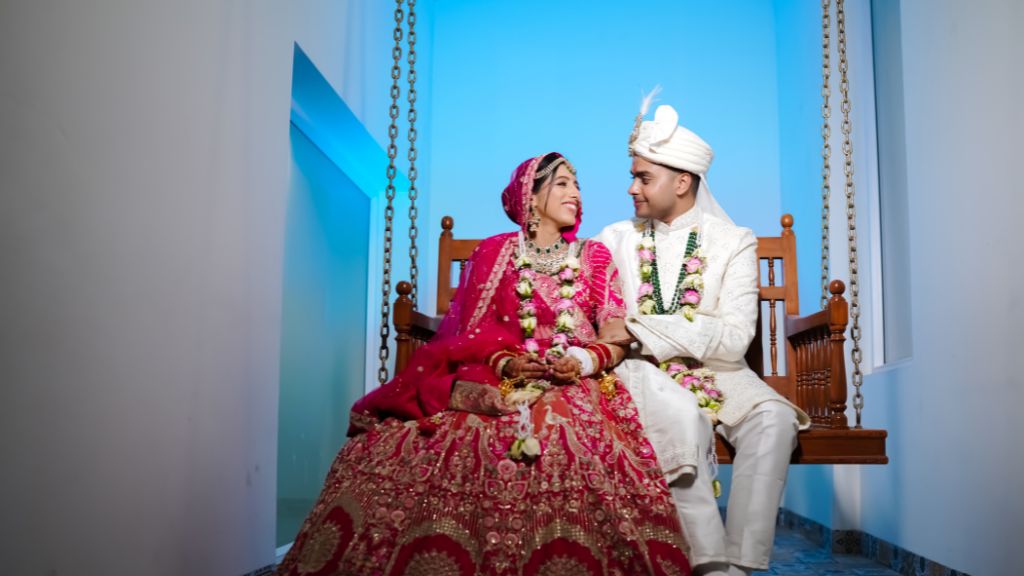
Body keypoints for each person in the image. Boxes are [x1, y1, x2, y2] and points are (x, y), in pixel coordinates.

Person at [275, 152, 692, 576]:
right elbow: (469, 334)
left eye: (577, 184)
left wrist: (584, 361)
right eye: (563, 183)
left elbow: (616, 333)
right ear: (530, 196)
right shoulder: (495, 253)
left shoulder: (594, 256)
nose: (576, 194)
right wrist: (507, 365)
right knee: (424, 441)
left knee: (565, 436)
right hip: (500, 372)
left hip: (575, 377)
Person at [596, 103, 811, 576]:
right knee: (681, 418)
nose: (631, 188)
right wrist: (656, 333)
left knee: (774, 419)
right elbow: (602, 324)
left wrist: (638, 327)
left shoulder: (733, 240)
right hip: (645, 373)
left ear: (682, 181)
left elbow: (734, 339)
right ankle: (708, 563)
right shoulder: (614, 238)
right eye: (633, 176)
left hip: (724, 374)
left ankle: (739, 566)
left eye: (643, 178)